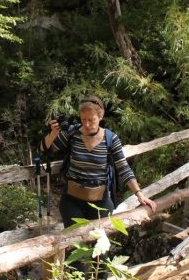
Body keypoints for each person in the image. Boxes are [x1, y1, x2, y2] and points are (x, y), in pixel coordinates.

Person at [41, 95, 157, 228]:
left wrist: (139, 194)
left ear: (101, 117)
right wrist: (53, 134)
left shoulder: (111, 139)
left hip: (100, 202)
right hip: (71, 201)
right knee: (76, 244)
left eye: (91, 120)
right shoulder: (72, 133)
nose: (87, 124)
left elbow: (123, 168)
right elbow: (43, 150)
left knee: (100, 243)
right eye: (83, 119)